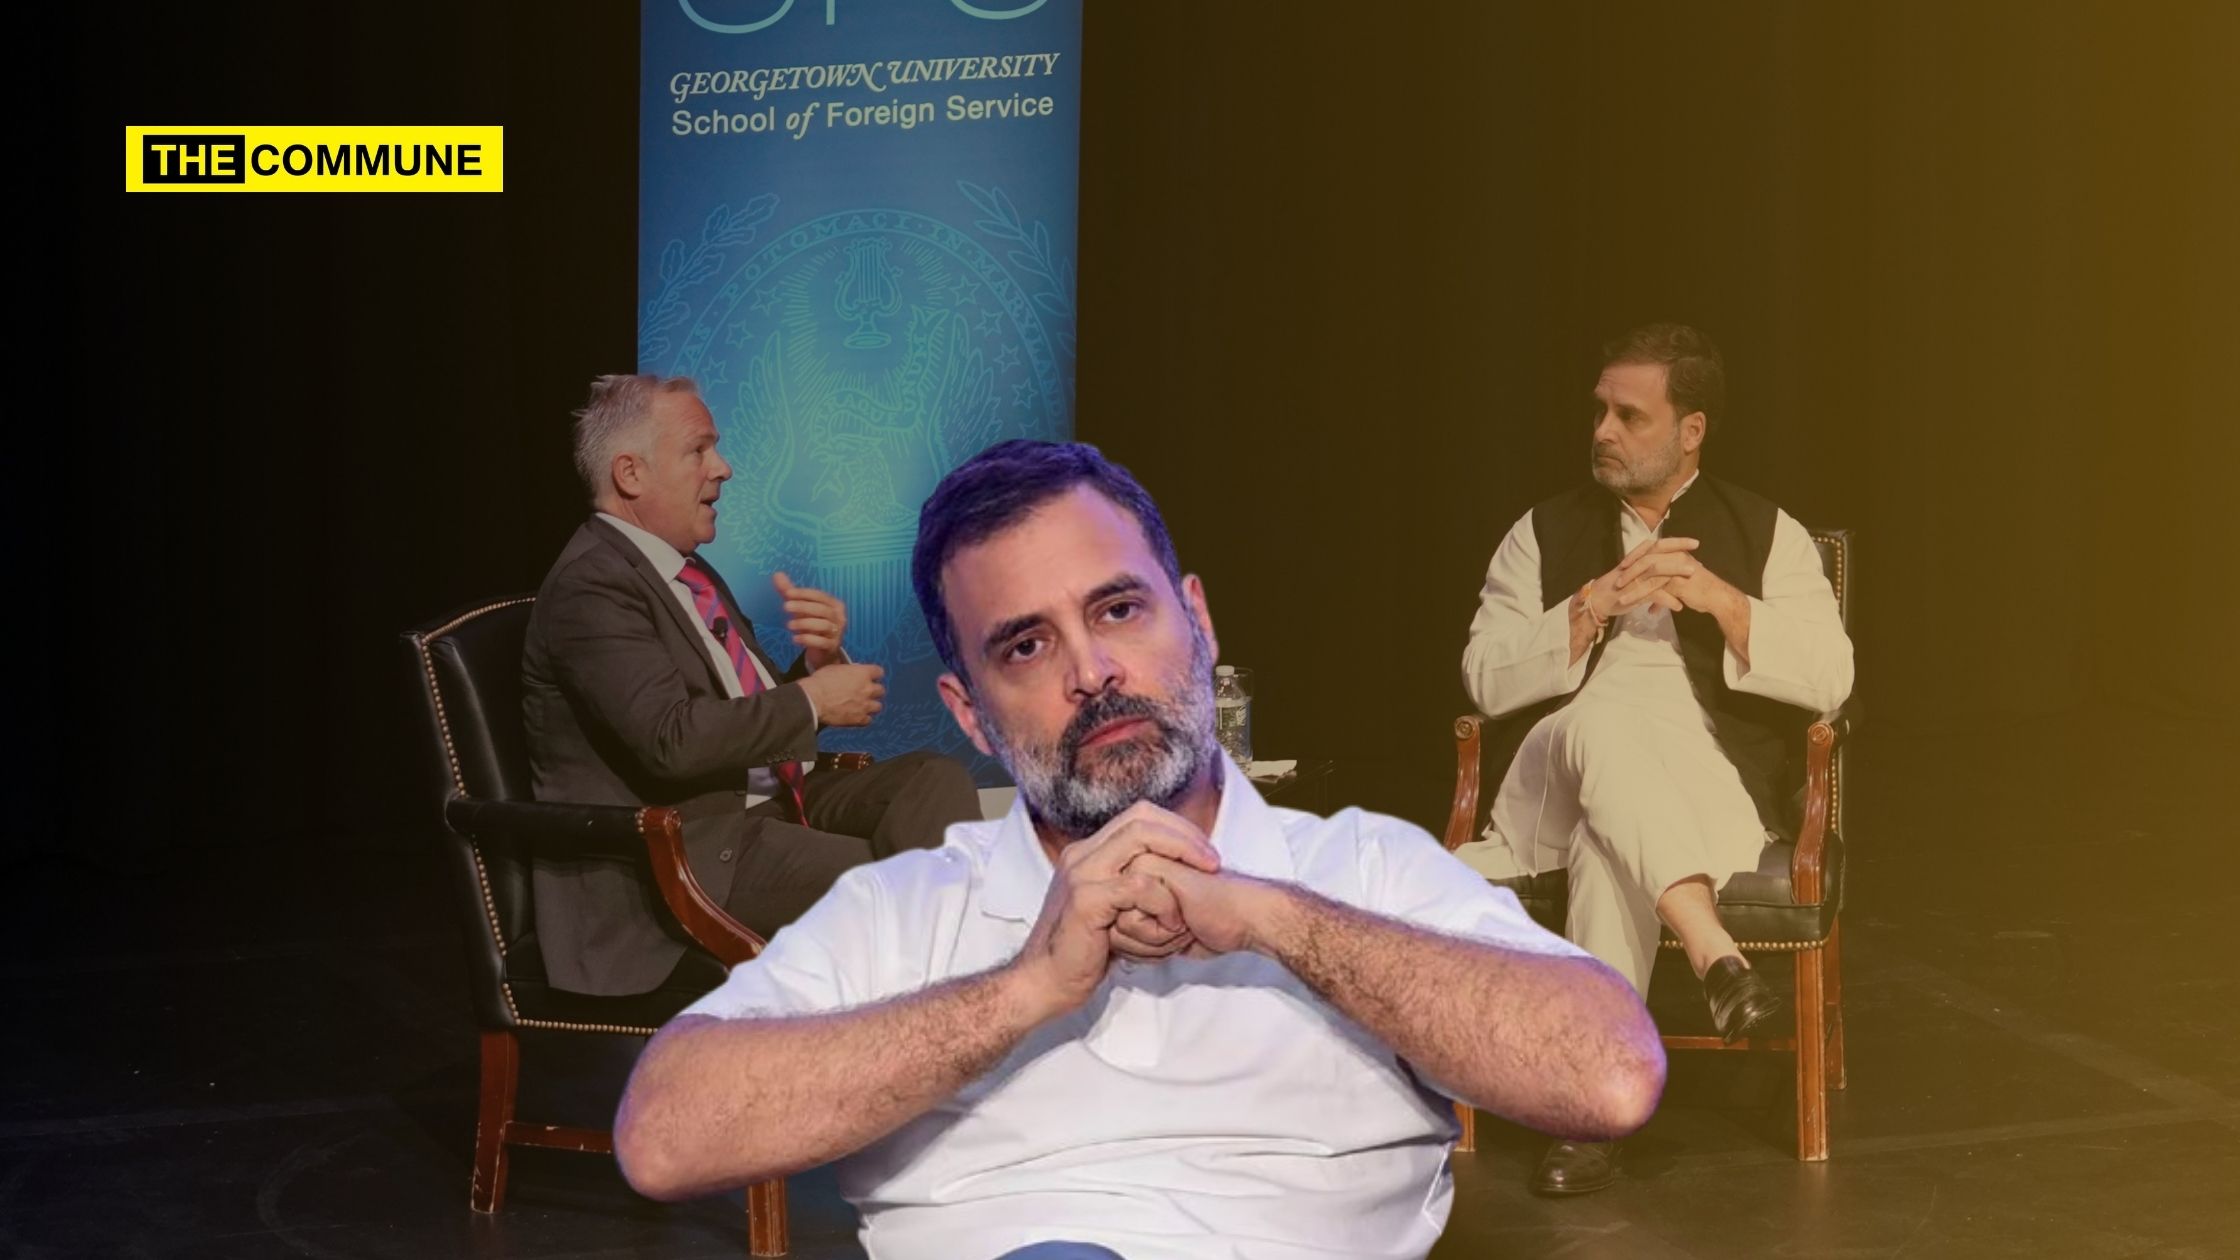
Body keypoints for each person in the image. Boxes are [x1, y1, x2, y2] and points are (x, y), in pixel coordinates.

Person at [612, 439, 1666, 1260]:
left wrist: (1269, 916)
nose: (1092, 672)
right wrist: (1024, 989)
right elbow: (664, 1137)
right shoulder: (905, 911)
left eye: (1118, 609)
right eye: (1026, 646)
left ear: (1196, 620)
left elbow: (1610, 1075)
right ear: (970, 713)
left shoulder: (1362, 872)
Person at [1456, 324, 1855, 1194]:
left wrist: (1720, 600)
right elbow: (1484, 678)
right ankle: (1715, 952)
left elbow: (1832, 680)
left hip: (1701, 780)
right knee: (1600, 727)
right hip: (1553, 778)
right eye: (1599, 411)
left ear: (1691, 430)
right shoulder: (1541, 533)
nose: (1602, 430)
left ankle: (1593, 1112)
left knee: (1611, 844)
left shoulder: (1768, 533)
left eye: (1629, 416)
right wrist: (1592, 605)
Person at [520, 374, 980, 998]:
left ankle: (949, 998)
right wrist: (813, 701)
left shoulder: (686, 572)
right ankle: (956, 1013)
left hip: (766, 803)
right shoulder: (592, 586)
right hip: (690, 849)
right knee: (895, 890)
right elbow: (673, 740)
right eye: (699, 450)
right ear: (630, 473)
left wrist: (815, 666)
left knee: (933, 781)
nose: (724, 468)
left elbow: (737, 712)